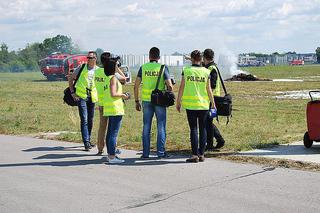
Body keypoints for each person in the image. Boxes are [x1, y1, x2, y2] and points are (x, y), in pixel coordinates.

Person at [134, 47, 173, 158]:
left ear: (149, 56)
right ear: (159, 57)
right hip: (159, 101)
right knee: (161, 125)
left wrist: (137, 101)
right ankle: (160, 153)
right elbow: (170, 86)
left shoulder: (143, 68)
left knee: (146, 126)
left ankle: (145, 153)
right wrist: (167, 91)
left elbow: (136, 85)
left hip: (146, 101)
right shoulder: (163, 67)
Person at [176, 50, 215, 163]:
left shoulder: (186, 71)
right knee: (203, 129)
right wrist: (213, 102)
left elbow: (181, 87)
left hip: (191, 105)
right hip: (203, 104)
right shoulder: (206, 71)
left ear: (192, 59)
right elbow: (208, 89)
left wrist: (178, 102)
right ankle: (202, 154)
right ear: (201, 59)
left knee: (193, 128)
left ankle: (194, 155)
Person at [95, 52, 126, 155]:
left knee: (102, 126)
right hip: (112, 103)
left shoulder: (97, 72)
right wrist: (116, 67)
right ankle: (112, 149)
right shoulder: (111, 73)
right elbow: (124, 79)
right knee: (112, 130)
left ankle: (100, 148)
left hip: (102, 102)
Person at [68, 51, 98, 151]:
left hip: (92, 97)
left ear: (95, 59)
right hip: (82, 97)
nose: (89, 59)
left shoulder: (98, 70)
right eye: (88, 58)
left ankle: (88, 139)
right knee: (84, 119)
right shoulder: (81, 67)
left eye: (91, 58)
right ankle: (86, 142)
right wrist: (72, 92)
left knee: (90, 120)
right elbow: (71, 78)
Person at [103, 60, 129, 163]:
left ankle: (110, 155)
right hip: (116, 108)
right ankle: (112, 157)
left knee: (110, 133)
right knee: (113, 134)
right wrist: (123, 95)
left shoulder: (107, 78)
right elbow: (113, 93)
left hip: (109, 108)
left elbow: (124, 79)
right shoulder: (113, 78)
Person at [203, 49, 225, 150]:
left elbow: (212, 85)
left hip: (212, 100)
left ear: (205, 57)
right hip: (211, 99)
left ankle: (210, 145)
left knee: (207, 121)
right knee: (208, 121)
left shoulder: (211, 69)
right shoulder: (211, 66)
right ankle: (219, 140)